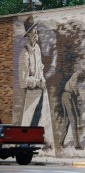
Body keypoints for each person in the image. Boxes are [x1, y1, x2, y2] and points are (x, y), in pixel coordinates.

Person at [19, 15, 54, 152]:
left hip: (42, 93)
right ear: (28, 35)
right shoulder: (24, 53)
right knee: (28, 124)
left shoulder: (38, 49)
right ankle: (23, 149)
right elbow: (23, 81)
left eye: (37, 31)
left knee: (44, 123)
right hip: (32, 94)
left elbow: (40, 68)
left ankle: (46, 150)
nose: (36, 34)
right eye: (34, 32)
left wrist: (43, 80)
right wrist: (38, 81)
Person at [59, 69, 85, 150]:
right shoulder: (76, 75)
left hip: (65, 96)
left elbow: (72, 87)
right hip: (67, 97)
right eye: (83, 79)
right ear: (82, 75)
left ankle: (61, 142)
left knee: (67, 121)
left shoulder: (74, 76)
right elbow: (74, 86)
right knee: (74, 121)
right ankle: (77, 145)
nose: (82, 81)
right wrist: (78, 96)